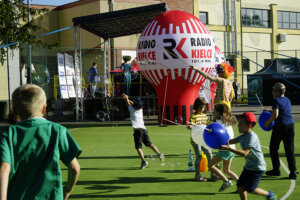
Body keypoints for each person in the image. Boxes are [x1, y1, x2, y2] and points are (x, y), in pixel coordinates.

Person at [0, 84, 81, 199]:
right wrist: (67, 190)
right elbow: (74, 168)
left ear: (14, 110)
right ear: (44, 108)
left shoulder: (7, 134)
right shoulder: (57, 131)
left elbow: (4, 167)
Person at [220, 112, 277, 200]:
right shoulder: (244, 135)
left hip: (258, 167)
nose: (238, 126)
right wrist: (224, 142)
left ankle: (268, 194)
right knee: (240, 186)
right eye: (239, 123)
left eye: (241, 124)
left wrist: (229, 148)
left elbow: (245, 153)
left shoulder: (251, 137)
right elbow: (234, 140)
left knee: (250, 189)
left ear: (249, 125)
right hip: (249, 166)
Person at [264, 83, 297, 179]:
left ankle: (276, 170)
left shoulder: (276, 100)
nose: (272, 93)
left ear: (277, 91)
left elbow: (276, 115)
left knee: (273, 148)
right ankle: (293, 172)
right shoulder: (287, 99)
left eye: (273, 91)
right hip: (290, 125)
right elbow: (282, 110)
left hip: (280, 127)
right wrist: (270, 110)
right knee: (289, 149)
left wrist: (267, 122)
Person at [122, 94, 164, 169]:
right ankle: (159, 154)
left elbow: (128, 103)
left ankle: (143, 161)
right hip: (144, 130)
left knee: (138, 147)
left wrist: (126, 98)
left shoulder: (132, 110)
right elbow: (133, 104)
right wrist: (126, 98)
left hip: (137, 131)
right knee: (149, 144)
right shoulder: (140, 109)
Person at [208, 103, 239, 192]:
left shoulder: (219, 123)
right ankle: (241, 186)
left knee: (210, 165)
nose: (213, 112)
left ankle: (226, 181)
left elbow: (211, 131)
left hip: (225, 149)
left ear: (218, 112)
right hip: (232, 149)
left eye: (214, 111)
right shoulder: (227, 122)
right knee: (226, 170)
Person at [187, 97, 212, 181]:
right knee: (199, 156)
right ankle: (197, 176)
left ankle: (213, 174)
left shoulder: (205, 116)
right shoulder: (193, 116)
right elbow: (192, 125)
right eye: (200, 107)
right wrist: (190, 126)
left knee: (209, 154)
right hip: (195, 140)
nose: (202, 109)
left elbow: (208, 126)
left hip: (204, 140)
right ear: (196, 106)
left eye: (203, 107)